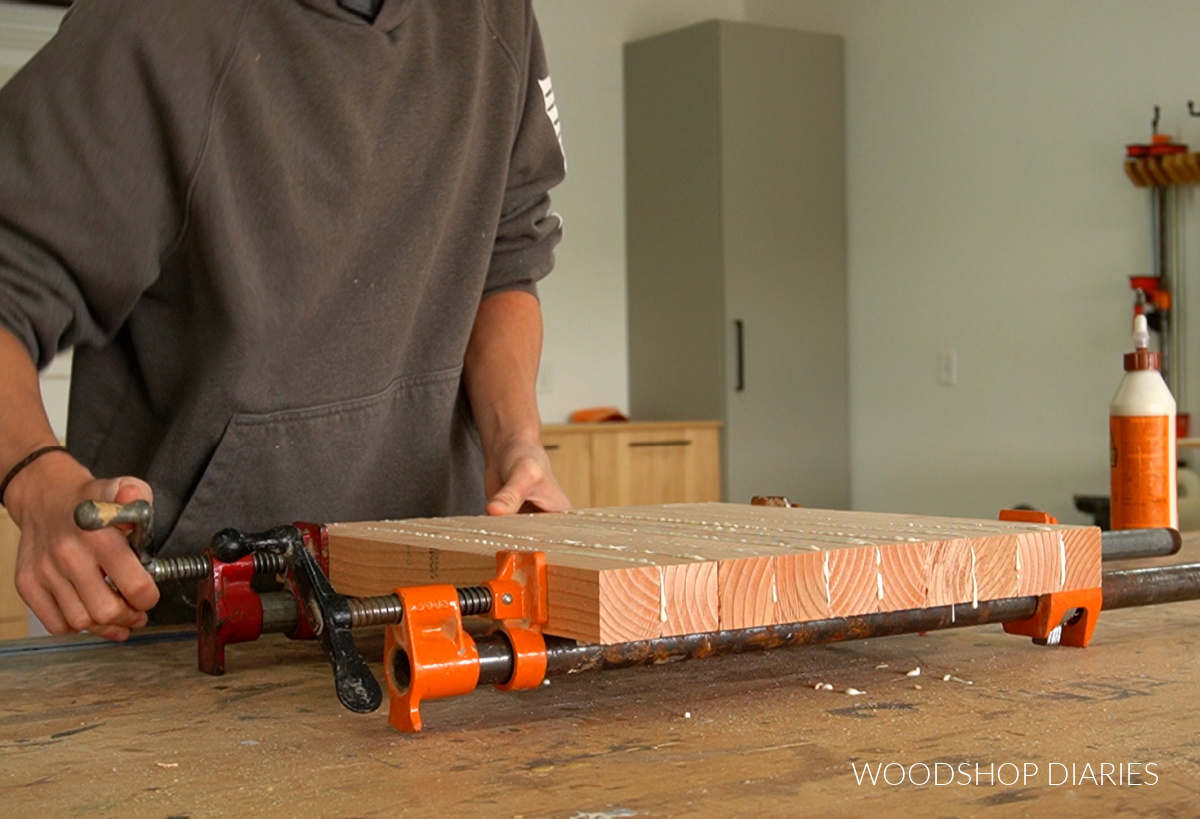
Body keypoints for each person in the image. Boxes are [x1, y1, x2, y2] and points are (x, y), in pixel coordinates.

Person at [0, 0, 570, 641]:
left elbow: (505, 258)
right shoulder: (151, 25)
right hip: (192, 622)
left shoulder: (498, 19)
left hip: (440, 603)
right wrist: (36, 479)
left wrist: (515, 437)